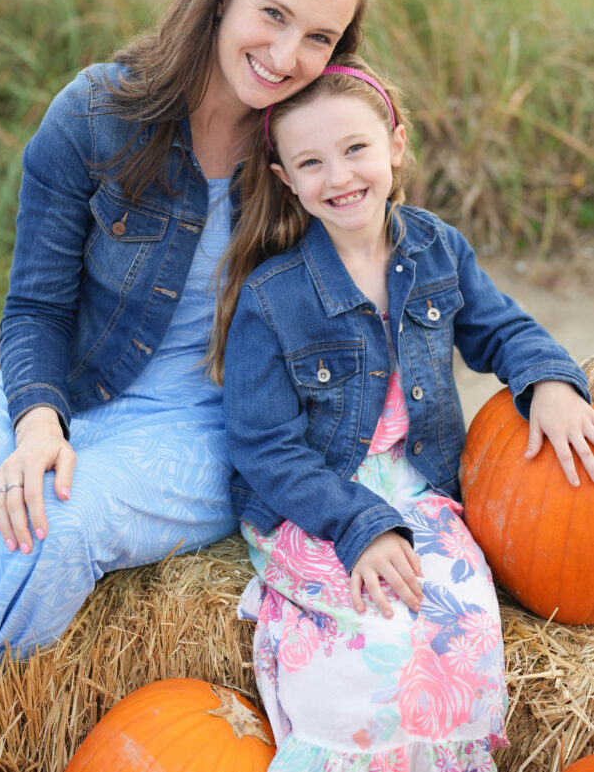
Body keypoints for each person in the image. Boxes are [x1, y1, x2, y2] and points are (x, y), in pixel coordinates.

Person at [0, 0, 374, 728]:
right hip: (70, 382)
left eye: (320, 38)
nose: (289, 55)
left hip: (204, 416)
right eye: (274, 14)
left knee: (53, 531)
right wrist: (38, 420)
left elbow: (410, 280)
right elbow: (35, 302)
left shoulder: (312, 149)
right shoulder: (93, 114)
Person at [212, 56, 593, 771]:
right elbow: (263, 446)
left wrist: (548, 380)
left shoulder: (435, 250)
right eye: (311, 162)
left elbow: (501, 329)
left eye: (355, 148)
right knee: (365, 644)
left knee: (459, 628)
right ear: (285, 179)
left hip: (419, 487)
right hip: (315, 501)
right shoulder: (272, 297)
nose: (339, 175)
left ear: (395, 142)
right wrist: (356, 524)